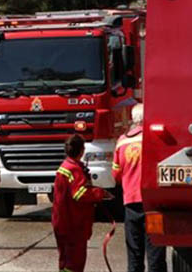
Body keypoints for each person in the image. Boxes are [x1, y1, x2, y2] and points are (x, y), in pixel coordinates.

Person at [112, 103, 166, 272]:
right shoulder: (155, 140)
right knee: (155, 253)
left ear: (132, 120)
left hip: (131, 204)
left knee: (134, 254)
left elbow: (116, 174)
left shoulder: (122, 142)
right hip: (154, 205)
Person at [52, 134, 109, 272]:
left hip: (63, 223)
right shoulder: (73, 169)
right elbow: (80, 194)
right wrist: (101, 193)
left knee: (65, 261)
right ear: (81, 151)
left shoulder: (66, 167)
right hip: (73, 225)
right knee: (75, 263)